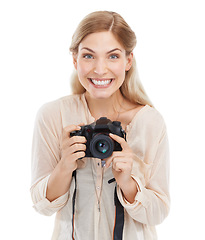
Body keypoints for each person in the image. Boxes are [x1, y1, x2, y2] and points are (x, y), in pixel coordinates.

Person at [30, 11, 170, 240]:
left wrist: (127, 182)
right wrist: (65, 165)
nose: (100, 69)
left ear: (128, 60)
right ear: (75, 59)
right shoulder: (53, 115)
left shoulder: (150, 122)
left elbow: (159, 213)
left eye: (113, 56)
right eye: (88, 56)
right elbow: (42, 205)